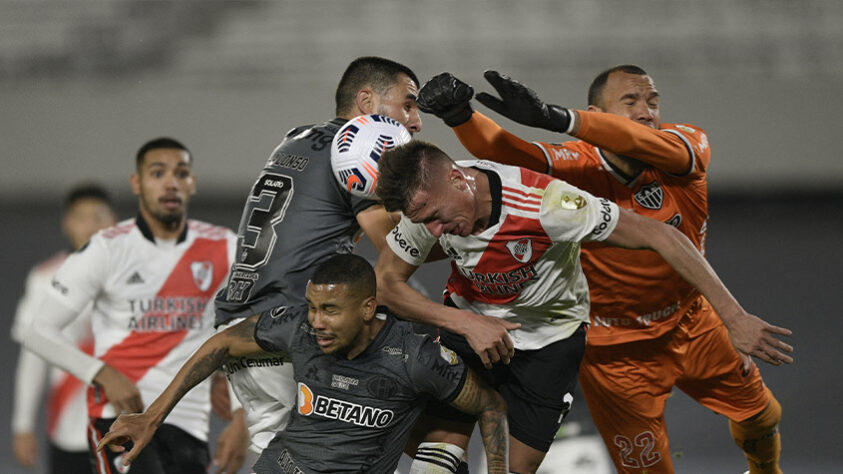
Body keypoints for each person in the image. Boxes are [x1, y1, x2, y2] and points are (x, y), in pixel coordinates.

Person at [414, 67, 793, 473]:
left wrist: (559, 118)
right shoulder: (573, 168)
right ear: (598, 113)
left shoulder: (687, 147)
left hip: (692, 322)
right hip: (613, 351)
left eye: (652, 101)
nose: (646, 112)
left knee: (762, 416)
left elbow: (636, 140)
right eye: (630, 102)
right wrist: (460, 116)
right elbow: (507, 153)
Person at [96, 254, 510, 474]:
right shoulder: (298, 328)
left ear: (368, 309)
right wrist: (152, 416)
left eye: (330, 309)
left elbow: (489, 405)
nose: (316, 321)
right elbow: (222, 343)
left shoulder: (415, 357)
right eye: (312, 307)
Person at [210, 56, 424, 457]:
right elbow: (395, 249)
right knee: (428, 404)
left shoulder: (297, 137)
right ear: (366, 101)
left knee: (287, 458)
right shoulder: (360, 146)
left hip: (240, 325)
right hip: (293, 326)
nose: (415, 121)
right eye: (408, 104)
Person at [22, 137, 246, 474]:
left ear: (193, 184)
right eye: (158, 173)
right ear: (137, 183)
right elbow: (37, 333)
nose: (171, 182)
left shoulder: (225, 247)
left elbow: (240, 332)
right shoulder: (107, 249)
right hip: (119, 418)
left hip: (187, 420)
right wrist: (101, 374)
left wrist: (241, 414)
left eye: (181, 173)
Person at [10, 184, 116, 474]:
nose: (90, 225)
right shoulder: (44, 278)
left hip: (129, 422)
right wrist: (22, 425)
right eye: (81, 217)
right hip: (69, 428)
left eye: (99, 216)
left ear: (113, 221)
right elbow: (32, 358)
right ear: (66, 223)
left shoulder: (136, 275)